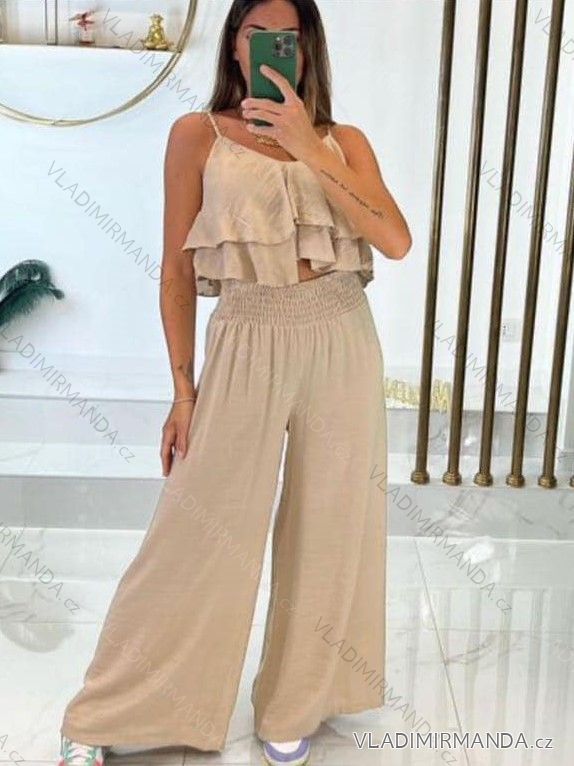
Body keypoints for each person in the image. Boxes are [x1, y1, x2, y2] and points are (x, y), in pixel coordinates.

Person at [57, 1, 411, 764]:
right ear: (236, 47)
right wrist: (183, 393)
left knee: (332, 524)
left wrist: (307, 145)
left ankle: (295, 701)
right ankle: (109, 713)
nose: (272, 48)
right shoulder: (198, 135)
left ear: (307, 51)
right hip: (248, 332)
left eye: (288, 37)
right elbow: (176, 272)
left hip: (342, 335)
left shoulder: (344, 142)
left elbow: (394, 238)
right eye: (257, 34)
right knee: (198, 527)